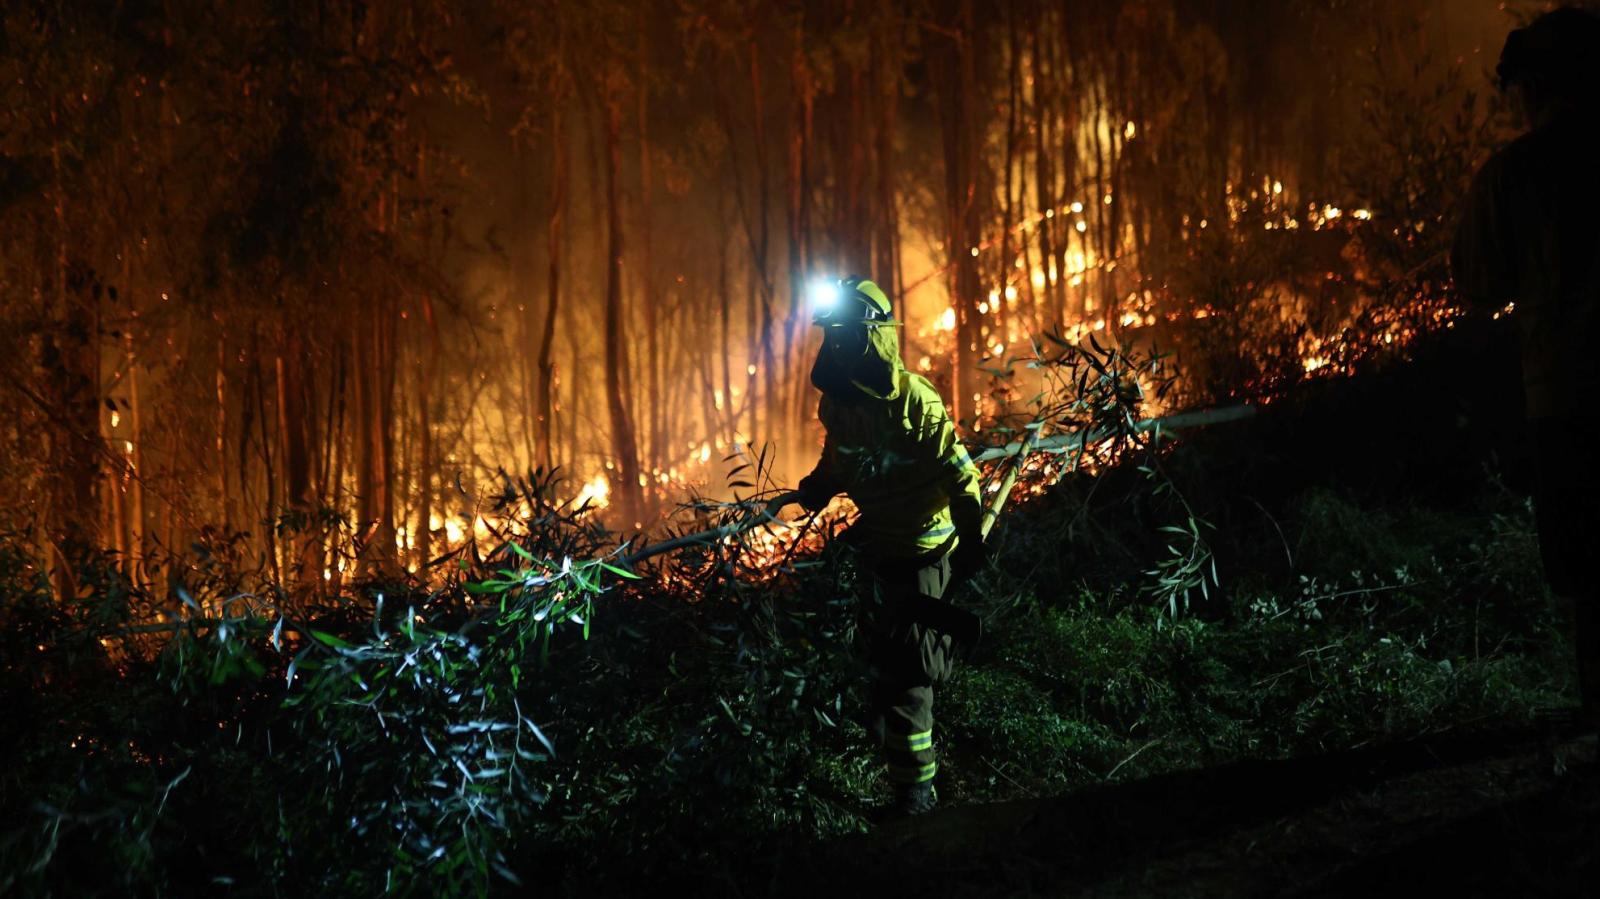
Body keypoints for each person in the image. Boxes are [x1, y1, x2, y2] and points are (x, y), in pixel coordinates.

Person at [1452, 6, 1600, 727]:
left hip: (1566, 397)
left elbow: (1479, 281)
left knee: (1587, 578)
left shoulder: (1516, 176)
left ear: (1535, 88)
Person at [794, 276, 989, 818]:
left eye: (848, 335)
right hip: (878, 548)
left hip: (923, 553)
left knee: (909, 678)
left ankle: (916, 794)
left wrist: (970, 537)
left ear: (875, 337)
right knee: (879, 656)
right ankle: (887, 738)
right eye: (832, 336)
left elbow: (960, 475)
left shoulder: (915, 402)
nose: (837, 346)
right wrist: (819, 484)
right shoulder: (839, 404)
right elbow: (840, 457)